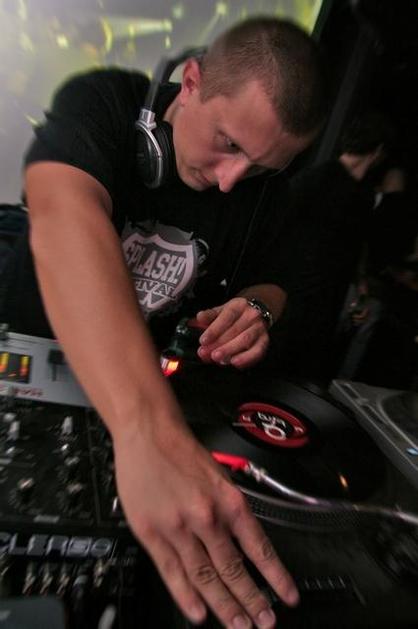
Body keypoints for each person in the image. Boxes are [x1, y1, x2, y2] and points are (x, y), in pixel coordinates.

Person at [1, 17, 325, 628]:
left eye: (260, 168)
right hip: (44, 369)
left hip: (143, 397)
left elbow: (283, 278)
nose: (231, 181)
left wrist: (257, 310)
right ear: (192, 81)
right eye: (229, 143)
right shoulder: (100, 101)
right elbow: (65, 217)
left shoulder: (258, 187)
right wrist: (146, 431)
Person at [265, 111, 394, 386]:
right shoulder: (318, 179)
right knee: (279, 369)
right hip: (297, 294)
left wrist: (360, 287)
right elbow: (277, 225)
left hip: (329, 299)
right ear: (377, 151)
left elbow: (357, 246)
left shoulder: (363, 194)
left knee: (306, 373)